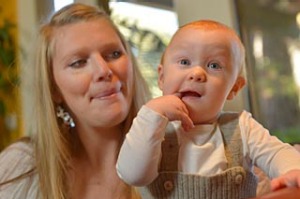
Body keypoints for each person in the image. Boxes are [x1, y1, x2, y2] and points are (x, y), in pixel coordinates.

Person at [116, 19, 300, 198]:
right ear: (162, 77)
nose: (196, 74)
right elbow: (133, 175)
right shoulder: (153, 128)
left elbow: (277, 152)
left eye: (214, 65)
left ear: (234, 87)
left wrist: (293, 171)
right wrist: (151, 114)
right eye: (184, 62)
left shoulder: (243, 127)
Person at [0, 3, 150, 199]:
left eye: (114, 54)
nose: (103, 70)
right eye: (78, 62)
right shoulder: (22, 167)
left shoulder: (178, 154)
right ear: (54, 90)